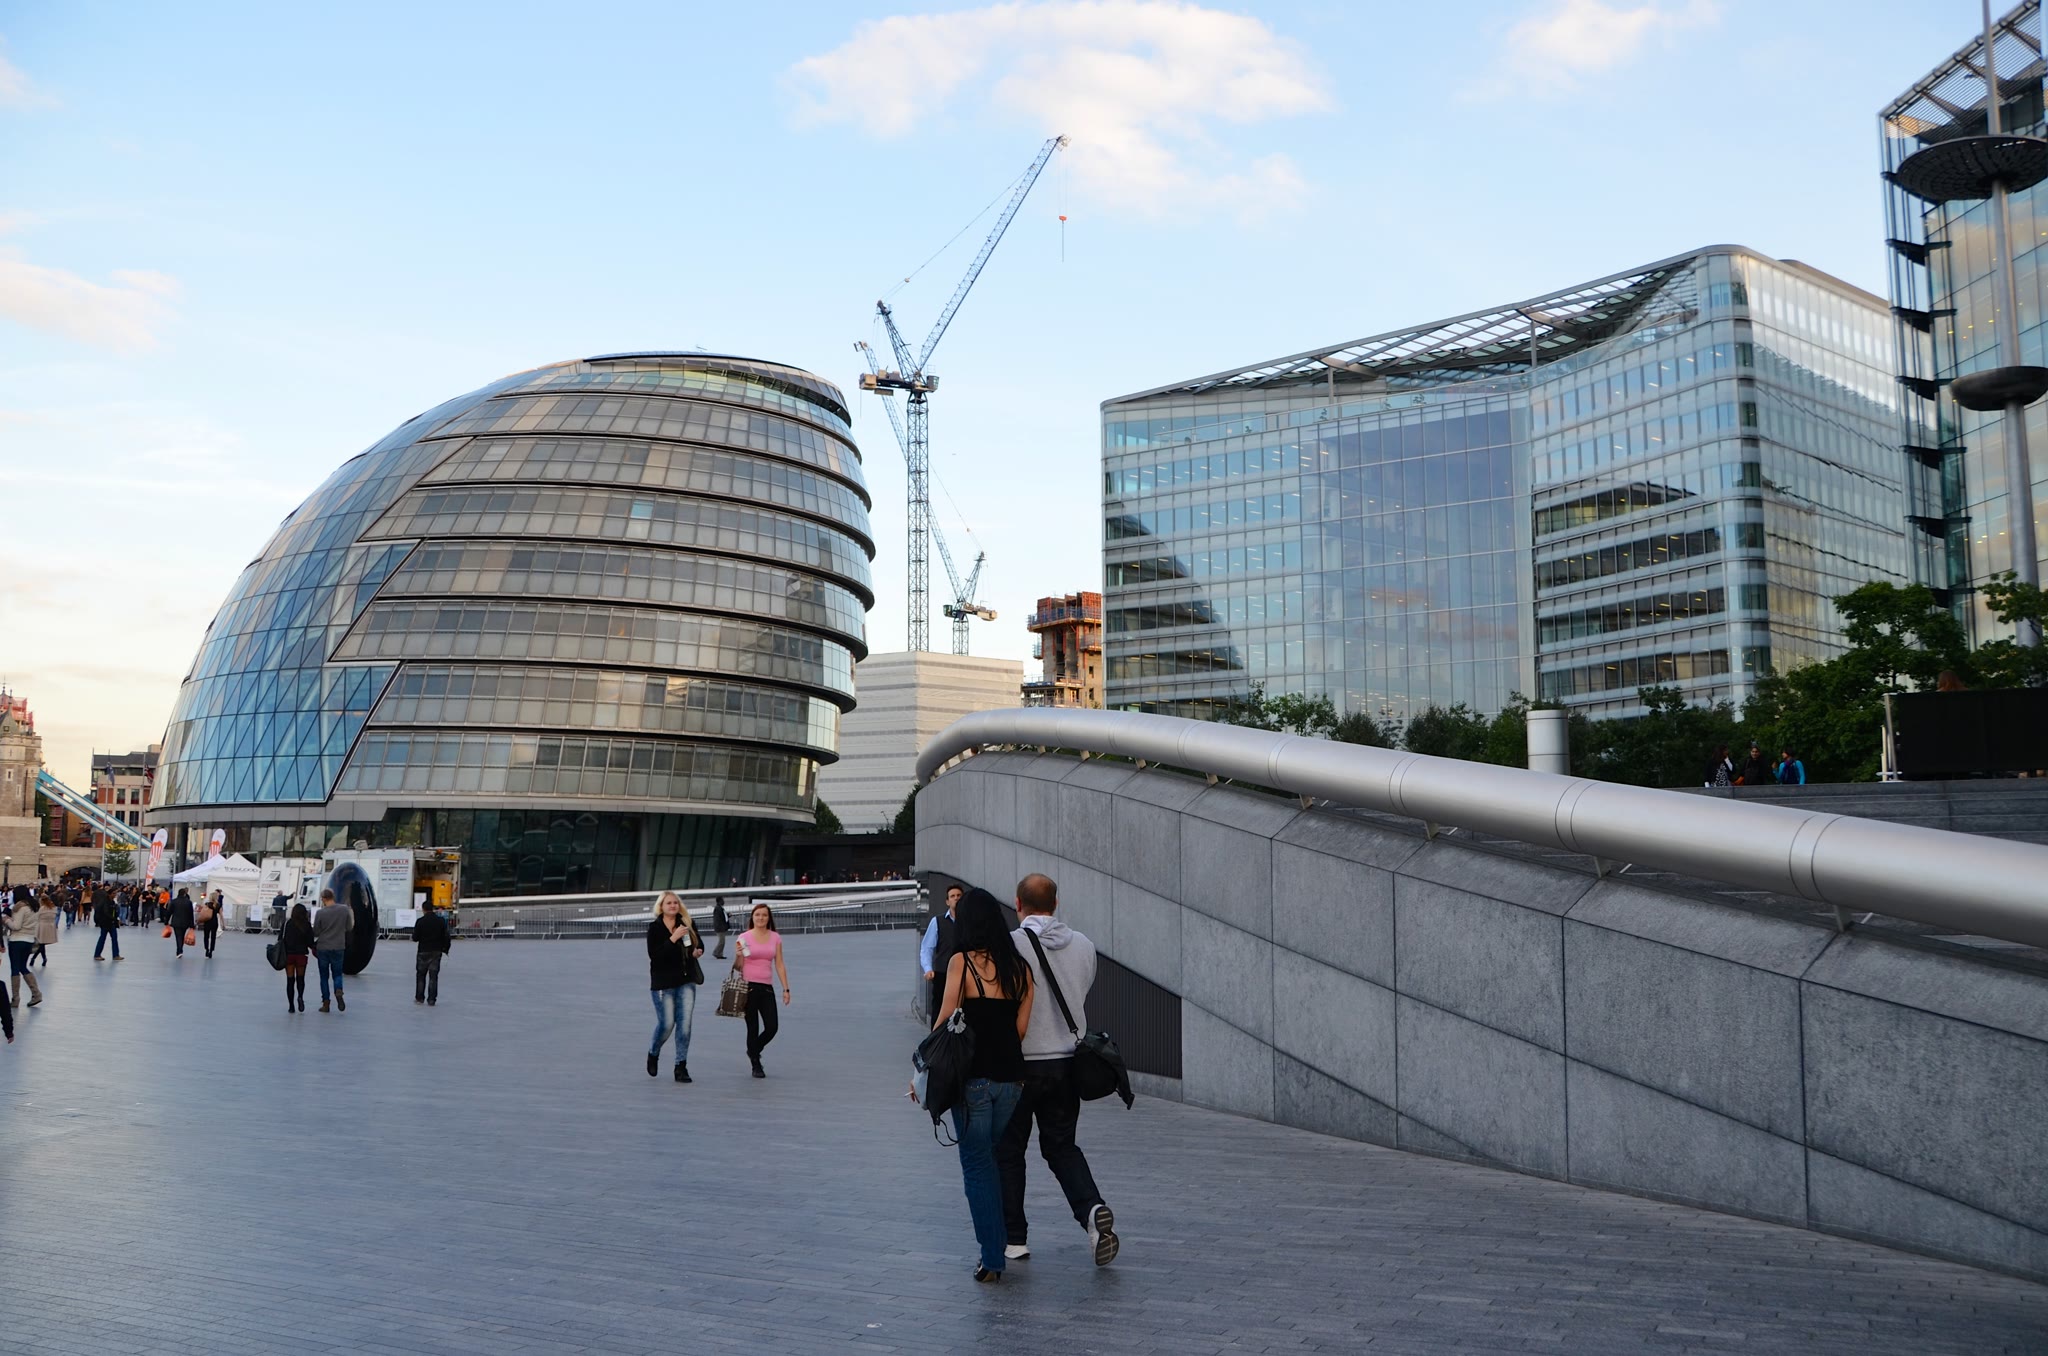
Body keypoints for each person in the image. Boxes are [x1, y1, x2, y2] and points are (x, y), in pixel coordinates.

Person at [998, 872, 1119, 1267]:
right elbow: (1079, 993)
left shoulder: (1009, 945)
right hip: (1067, 1064)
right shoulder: (1083, 945)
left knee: (1010, 1151)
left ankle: (1014, 1239)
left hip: (1019, 1063)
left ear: (1018, 904)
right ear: (1056, 903)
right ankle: (1092, 1211)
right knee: (1062, 1147)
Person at [924, 887, 1033, 1283]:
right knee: (989, 1158)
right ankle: (1001, 1243)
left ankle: (992, 1259)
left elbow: (944, 1020)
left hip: (973, 1080)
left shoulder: (962, 962)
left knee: (977, 1166)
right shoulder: (1021, 969)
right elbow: (1020, 1031)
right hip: (1012, 1081)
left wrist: (923, 1068)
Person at [645, 891, 704, 1082]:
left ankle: (681, 1066)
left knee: (684, 1025)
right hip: (663, 983)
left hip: (686, 981)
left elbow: (698, 944)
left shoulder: (686, 923)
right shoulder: (655, 928)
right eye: (669, 903)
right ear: (661, 906)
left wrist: (697, 951)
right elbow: (655, 956)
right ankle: (653, 1052)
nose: (673, 906)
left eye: (675, 903)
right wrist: (673, 938)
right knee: (667, 1024)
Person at [734, 902, 790, 1077]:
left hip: (766, 988)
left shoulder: (775, 937)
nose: (761, 918)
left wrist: (786, 989)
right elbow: (738, 966)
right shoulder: (744, 937)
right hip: (748, 987)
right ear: (752, 917)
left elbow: (779, 964)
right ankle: (756, 1064)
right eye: (757, 915)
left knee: (772, 1027)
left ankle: (753, 1049)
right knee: (753, 1027)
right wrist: (738, 955)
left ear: (769, 918)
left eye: (764, 915)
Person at [919, 884, 965, 1023]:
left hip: (966, 975)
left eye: (959, 896)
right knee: (939, 1011)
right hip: (942, 975)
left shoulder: (971, 921)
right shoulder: (937, 922)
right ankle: (936, 1036)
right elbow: (927, 947)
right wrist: (928, 969)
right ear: (947, 901)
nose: (956, 898)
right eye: (952, 896)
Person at [311, 887, 352, 1012]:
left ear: (323, 899)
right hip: (339, 946)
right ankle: (338, 990)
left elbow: (316, 931)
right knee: (337, 974)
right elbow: (349, 927)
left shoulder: (320, 913)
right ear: (333, 897)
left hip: (323, 947)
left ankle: (326, 1003)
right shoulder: (344, 909)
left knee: (324, 976)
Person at [5, 896, 43, 1008]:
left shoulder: (21, 908)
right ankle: (36, 993)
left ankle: (15, 999)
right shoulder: (34, 907)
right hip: (29, 940)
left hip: (17, 940)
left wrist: (6, 920)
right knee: (23, 967)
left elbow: (16, 926)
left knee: (15, 969)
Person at [413, 899, 452, 1006]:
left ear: (423, 909)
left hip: (423, 951)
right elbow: (446, 936)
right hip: (436, 951)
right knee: (433, 977)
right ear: (432, 909)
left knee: (421, 975)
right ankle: (431, 1000)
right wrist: (446, 949)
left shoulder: (420, 921)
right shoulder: (440, 921)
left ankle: (419, 998)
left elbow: (415, 938)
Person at [280, 902, 315, 1012]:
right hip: (301, 956)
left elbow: (280, 939)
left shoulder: (287, 924)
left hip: (289, 955)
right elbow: (310, 942)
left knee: (290, 980)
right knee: (301, 979)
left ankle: (291, 1006)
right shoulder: (306, 925)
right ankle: (300, 996)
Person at [92, 885, 121, 961]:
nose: (115, 895)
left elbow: (114, 912)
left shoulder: (112, 902)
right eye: (113, 893)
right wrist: (114, 919)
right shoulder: (105, 902)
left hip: (111, 923)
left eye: (115, 893)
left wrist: (116, 919)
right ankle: (97, 954)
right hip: (105, 923)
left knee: (114, 939)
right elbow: (106, 912)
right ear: (109, 894)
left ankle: (116, 955)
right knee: (102, 938)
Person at [32, 887, 58, 967]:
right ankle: (36, 958)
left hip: (42, 926)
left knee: (41, 944)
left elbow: (36, 917)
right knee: (42, 944)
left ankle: (40, 958)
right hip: (50, 926)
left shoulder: (42, 908)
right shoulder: (53, 908)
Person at [167, 888, 195, 959]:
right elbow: (191, 914)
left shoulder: (174, 901)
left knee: (178, 936)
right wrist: (192, 924)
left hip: (176, 922)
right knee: (182, 935)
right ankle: (180, 949)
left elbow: (169, 912)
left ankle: (179, 951)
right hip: (185, 922)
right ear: (185, 894)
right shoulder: (189, 902)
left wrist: (166, 921)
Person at [197, 890, 222, 958]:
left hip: (207, 922)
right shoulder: (218, 905)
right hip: (214, 922)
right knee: (213, 937)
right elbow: (221, 914)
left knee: (206, 936)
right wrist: (223, 923)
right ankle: (211, 950)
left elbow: (203, 912)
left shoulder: (207, 904)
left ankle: (206, 949)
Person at [711, 895, 730, 961]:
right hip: (720, 928)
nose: (723, 901)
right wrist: (721, 927)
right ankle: (716, 952)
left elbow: (723, 917)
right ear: (719, 901)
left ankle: (720, 954)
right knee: (722, 941)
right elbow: (718, 919)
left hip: (721, 927)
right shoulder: (718, 909)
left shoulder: (720, 908)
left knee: (722, 941)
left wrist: (728, 915)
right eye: (722, 900)